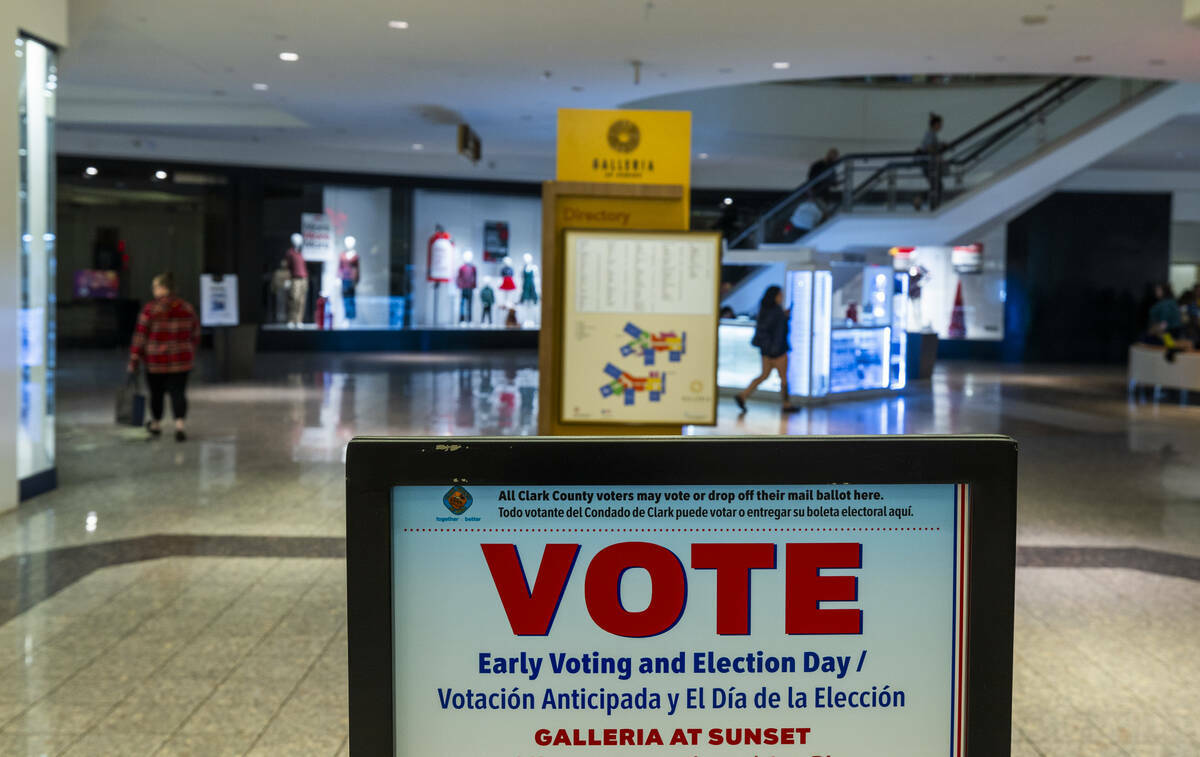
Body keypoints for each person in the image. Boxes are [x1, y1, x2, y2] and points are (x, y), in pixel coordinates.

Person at [128, 272, 200, 441]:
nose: (153, 290)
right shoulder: (187, 308)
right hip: (181, 361)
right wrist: (187, 350)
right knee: (179, 393)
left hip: (155, 362)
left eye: (155, 287)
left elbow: (140, 337)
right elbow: (195, 334)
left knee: (156, 393)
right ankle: (180, 426)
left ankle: (156, 424)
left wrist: (134, 359)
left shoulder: (149, 309)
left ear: (162, 288)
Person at [735, 285, 798, 414]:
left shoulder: (764, 310)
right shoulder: (777, 312)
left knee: (764, 375)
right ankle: (786, 404)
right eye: (780, 295)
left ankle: (743, 395)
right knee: (783, 378)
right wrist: (785, 318)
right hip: (778, 351)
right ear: (775, 296)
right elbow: (780, 333)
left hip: (766, 351)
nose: (782, 298)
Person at [918, 113, 945, 210]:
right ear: (935, 124)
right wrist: (937, 156)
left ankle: (921, 200)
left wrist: (940, 145)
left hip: (928, 164)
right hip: (927, 164)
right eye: (940, 124)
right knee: (937, 185)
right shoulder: (930, 134)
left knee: (936, 185)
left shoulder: (932, 134)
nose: (941, 126)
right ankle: (926, 202)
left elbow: (931, 146)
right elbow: (929, 147)